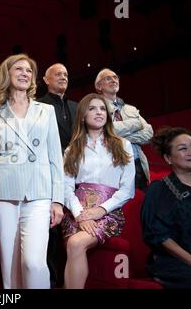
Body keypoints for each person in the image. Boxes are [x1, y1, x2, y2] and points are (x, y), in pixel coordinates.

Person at [0, 54, 64, 289]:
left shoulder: (46, 111)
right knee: (9, 265)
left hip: (39, 192)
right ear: (7, 74)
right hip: (3, 192)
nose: (25, 73)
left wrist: (58, 200)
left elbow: (56, 157)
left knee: (34, 263)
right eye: (19, 69)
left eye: (29, 71)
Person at [61, 93, 135, 289]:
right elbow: (66, 187)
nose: (99, 112)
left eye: (102, 109)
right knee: (73, 245)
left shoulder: (123, 145)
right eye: (92, 108)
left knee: (76, 243)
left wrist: (100, 210)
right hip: (78, 212)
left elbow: (127, 189)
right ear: (83, 116)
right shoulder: (72, 150)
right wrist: (80, 215)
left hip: (108, 213)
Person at [38, 63, 77, 288]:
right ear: (45, 79)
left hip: (76, 174)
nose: (63, 77)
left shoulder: (77, 106)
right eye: (58, 74)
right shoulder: (39, 106)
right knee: (51, 231)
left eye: (66, 74)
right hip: (50, 173)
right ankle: (52, 281)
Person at [141, 127, 191, 288]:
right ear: (168, 158)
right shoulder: (159, 189)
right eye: (183, 149)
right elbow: (159, 236)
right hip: (175, 261)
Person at [95, 68, 152, 191]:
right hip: (113, 166)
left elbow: (149, 133)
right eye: (108, 78)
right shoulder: (95, 108)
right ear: (99, 86)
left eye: (115, 77)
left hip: (138, 166)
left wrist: (121, 137)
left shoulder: (131, 108)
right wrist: (135, 125)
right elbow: (104, 131)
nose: (113, 80)